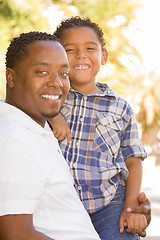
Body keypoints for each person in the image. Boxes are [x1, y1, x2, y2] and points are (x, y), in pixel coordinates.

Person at [49, 16, 151, 239]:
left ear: (103, 56)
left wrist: (131, 207)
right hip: (59, 203)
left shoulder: (120, 107)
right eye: (70, 49)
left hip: (110, 203)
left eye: (90, 48)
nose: (81, 55)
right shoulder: (50, 99)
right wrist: (52, 114)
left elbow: (133, 161)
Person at [0, 31, 101, 240]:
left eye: (63, 74)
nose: (57, 83)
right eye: (42, 72)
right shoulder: (16, 140)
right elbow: (16, 234)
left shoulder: (33, 126)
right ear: (11, 77)